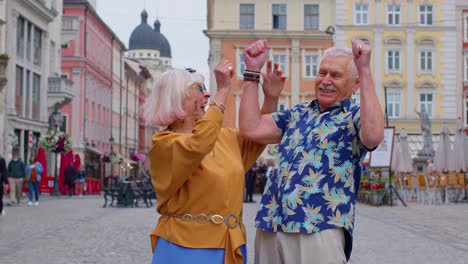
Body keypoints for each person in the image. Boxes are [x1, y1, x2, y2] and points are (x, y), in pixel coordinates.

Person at [239, 39, 384, 263]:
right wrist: (251, 72)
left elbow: (373, 135)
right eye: (322, 73)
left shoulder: (353, 116)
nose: (325, 81)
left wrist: (364, 70)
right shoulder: (297, 113)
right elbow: (251, 128)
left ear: (355, 84)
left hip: (319, 226)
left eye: (335, 75)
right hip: (271, 223)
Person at [144, 59, 284, 264]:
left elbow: (259, 136)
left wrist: (271, 98)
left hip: (229, 245)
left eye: (207, 89)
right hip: (185, 247)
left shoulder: (224, 138)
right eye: (199, 89)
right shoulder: (165, 144)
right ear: (176, 98)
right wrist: (223, 90)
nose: (207, 94)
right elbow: (199, 145)